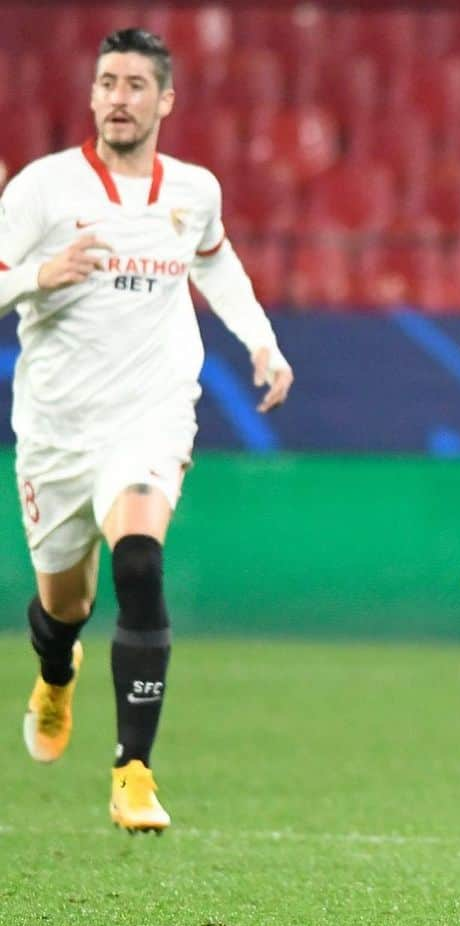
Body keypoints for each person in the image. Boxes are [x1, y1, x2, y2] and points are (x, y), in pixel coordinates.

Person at [0, 29, 293, 833]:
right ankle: (56, 669)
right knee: (65, 602)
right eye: (107, 82)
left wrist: (262, 342)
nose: (119, 97)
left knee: (138, 558)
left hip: (150, 415)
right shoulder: (42, 191)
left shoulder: (193, 190)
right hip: (58, 429)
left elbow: (216, 260)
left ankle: (133, 768)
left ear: (165, 100)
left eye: (136, 84)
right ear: (91, 97)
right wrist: (37, 276)